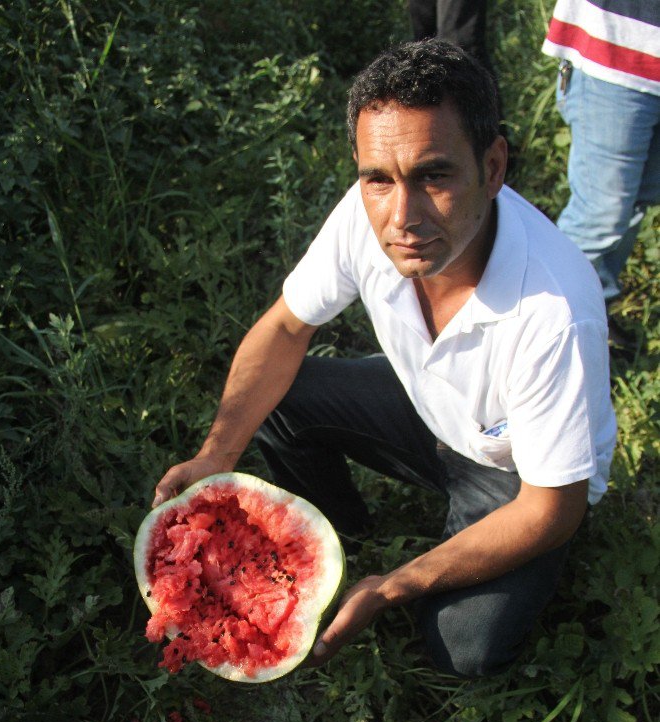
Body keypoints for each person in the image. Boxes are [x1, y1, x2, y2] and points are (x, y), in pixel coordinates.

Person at [153, 40, 616, 678]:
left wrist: (400, 583)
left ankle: (385, 578)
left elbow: (552, 509)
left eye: (434, 175)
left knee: (464, 651)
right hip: (429, 411)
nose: (403, 216)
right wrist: (216, 455)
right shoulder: (367, 216)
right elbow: (286, 327)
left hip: (519, 475)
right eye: (379, 179)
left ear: (494, 165)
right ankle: (338, 537)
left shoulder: (555, 309)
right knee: (279, 397)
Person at [542, 1, 660, 342]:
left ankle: (592, 317)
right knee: (600, 217)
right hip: (618, 53)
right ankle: (551, 336)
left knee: (638, 200)